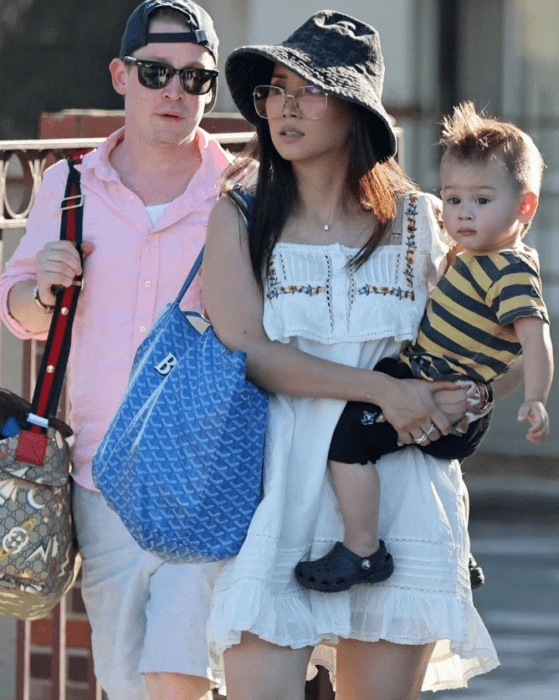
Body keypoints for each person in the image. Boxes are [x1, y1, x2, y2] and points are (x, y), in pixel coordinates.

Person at [202, 10, 521, 700]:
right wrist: (383, 391)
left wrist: (469, 399)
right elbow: (249, 351)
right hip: (276, 492)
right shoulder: (239, 210)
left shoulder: (423, 219)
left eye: (307, 89)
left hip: (401, 497)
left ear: (355, 113)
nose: (283, 105)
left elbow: (512, 335)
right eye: (274, 89)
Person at [0, 2, 231, 698]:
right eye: (157, 72)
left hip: (207, 476)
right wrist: (42, 287)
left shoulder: (239, 190)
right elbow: (18, 313)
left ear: (210, 91)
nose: (174, 92)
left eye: (195, 79)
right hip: (101, 476)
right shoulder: (67, 185)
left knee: (180, 674)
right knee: (126, 680)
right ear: (120, 75)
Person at [295, 101, 553, 594]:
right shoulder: (474, 254)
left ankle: (363, 550)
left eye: (481, 200)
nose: (463, 213)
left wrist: (536, 398)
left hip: (443, 395)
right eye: (453, 199)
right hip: (424, 376)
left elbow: (536, 340)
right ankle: (462, 549)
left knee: (346, 443)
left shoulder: (512, 270)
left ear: (524, 207)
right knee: (437, 464)